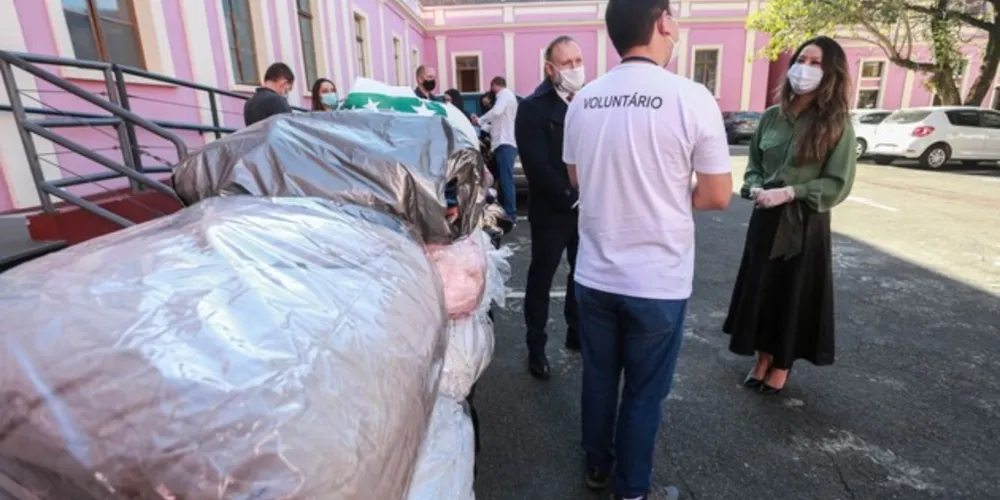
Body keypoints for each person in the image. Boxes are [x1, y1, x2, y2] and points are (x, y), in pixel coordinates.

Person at [563, 0, 733, 497]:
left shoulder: (584, 99)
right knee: (643, 392)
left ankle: (597, 465)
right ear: (661, 22)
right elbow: (717, 195)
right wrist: (664, 193)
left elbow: (577, 178)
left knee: (598, 379)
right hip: (658, 280)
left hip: (594, 272)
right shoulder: (690, 96)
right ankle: (631, 488)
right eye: (674, 17)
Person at [723, 36, 857, 395]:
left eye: (816, 63)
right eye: (802, 60)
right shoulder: (770, 118)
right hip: (766, 219)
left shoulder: (836, 124)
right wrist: (753, 187)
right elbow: (753, 166)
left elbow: (838, 183)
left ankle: (781, 363)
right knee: (762, 290)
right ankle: (762, 357)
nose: (806, 69)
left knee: (791, 294)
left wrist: (793, 192)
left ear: (830, 73)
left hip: (804, 223)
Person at [514, 35, 586, 380]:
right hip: (552, 211)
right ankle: (536, 347)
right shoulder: (532, 108)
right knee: (542, 278)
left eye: (578, 61)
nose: (575, 69)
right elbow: (536, 166)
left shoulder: (589, 101)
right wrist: (571, 196)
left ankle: (576, 332)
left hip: (585, 209)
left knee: (582, 274)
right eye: (567, 63)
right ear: (550, 68)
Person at [471, 77, 518, 221]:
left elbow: (496, 112)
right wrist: (480, 123)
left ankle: (511, 214)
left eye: (491, 87)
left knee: (506, 181)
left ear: (494, 85)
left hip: (505, 144)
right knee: (504, 181)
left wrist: (481, 119)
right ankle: (507, 211)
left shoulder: (504, 95)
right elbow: (495, 125)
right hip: (502, 144)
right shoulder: (507, 98)